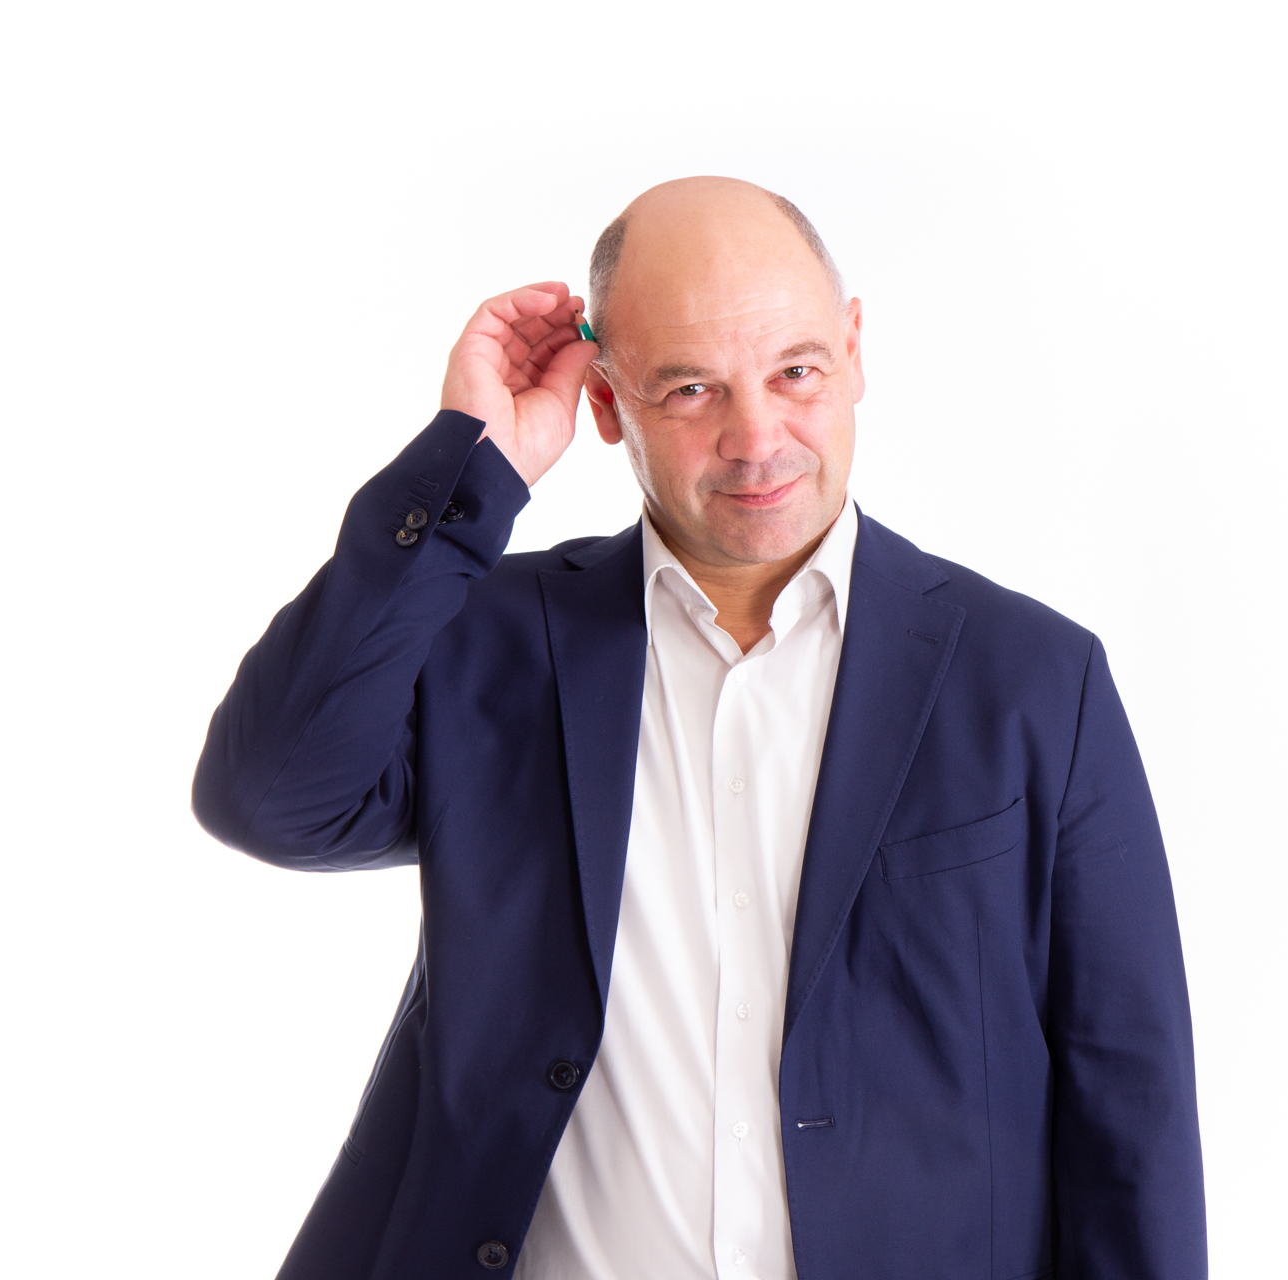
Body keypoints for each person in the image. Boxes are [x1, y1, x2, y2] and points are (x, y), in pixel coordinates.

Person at [193, 177, 1206, 1280]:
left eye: (796, 372)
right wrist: (468, 468)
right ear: (608, 403)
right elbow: (271, 797)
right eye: (689, 388)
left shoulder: (1034, 679)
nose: (755, 436)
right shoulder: (489, 642)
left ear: (853, 350)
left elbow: (1130, 1097)